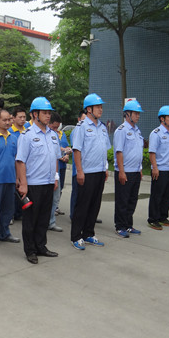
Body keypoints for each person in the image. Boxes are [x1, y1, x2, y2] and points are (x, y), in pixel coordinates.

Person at [16, 97, 60, 264]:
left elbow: (55, 158)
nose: (48, 116)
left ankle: (41, 246)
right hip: (33, 184)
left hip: (48, 183)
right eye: (44, 113)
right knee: (31, 220)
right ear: (35, 114)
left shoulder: (53, 135)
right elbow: (20, 161)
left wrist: (55, 177)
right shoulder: (27, 135)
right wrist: (23, 184)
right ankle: (30, 250)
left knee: (43, 218)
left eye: (49, 113)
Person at [71, 93, 110, 250]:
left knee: (95, 204)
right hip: (87, 172)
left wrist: (105, 167)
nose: (101, 109)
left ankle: (88, 233)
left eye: (101, 107)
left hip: (99, 171)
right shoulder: (81, 127)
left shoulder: (102, 127)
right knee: (83, 205)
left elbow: (104, 149)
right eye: (98, 107)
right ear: (89, 109)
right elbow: (77, 150)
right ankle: (76, 236)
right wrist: (79, 171)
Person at [0, 109, 20, 248]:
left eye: (9, 119)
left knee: (8, 209)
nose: (8, 122)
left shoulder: (14, 138)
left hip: (10, 179)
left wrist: (18, 178)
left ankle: (5, 233)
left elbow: (16, 159)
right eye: (4, 120)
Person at [113, 100, 144, 238]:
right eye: (135, 113)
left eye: (138, 113)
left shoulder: (137, 131)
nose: (138, 116)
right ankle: (120, 226)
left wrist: (140, 169)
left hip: (135, 171)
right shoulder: (121, 131)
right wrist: (121, 171)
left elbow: (138, 151)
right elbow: (119, 152)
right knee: (122, 200)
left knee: (132, 200)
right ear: (127, 114)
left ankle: (128, 225)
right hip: (125, 171)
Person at [147, 105, 169, 230]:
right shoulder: (156, 133)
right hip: (159, 170)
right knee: (157, 195)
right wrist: (154, 167)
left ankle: (163, 217)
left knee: (168, 195)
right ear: (162, 118)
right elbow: (152, 152)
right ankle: (153, 219)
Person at [47, 112, 69, 232]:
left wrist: (65, 153)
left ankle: (51, 222)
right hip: (42, 173)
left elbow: (56, 152)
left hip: (55, 172)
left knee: (55, 198)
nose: (56, 130)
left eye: (57, 127)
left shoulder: (55, 135)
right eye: (53, 127)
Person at [69, 109, 86, 220]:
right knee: (76, 193)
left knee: (86, 195)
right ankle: (73, 215)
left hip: (88, 169)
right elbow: (76, 149)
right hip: (78, 169)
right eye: (83, 120)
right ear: (78, 119)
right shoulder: (76, 131)